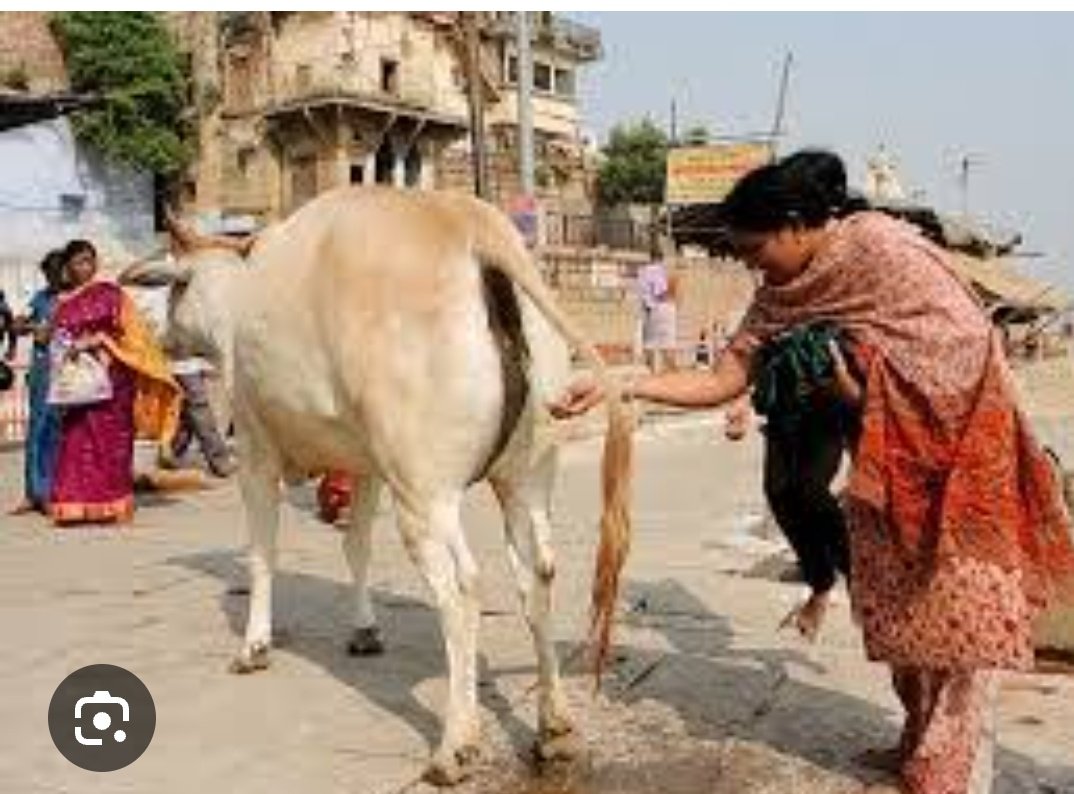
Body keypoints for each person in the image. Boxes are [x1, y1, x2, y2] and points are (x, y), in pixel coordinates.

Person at [551, 149, 1074, 794]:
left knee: (961, 617)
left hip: (960, 459)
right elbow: (721, 379)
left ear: (797, 225)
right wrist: (617, 384)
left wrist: (858, 385)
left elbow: (962, 346)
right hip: (882, 464)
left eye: (756, 250)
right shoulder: (781, 296)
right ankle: (916, 738)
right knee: (903, 614)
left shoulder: (879, 247)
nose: (753, 266)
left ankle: (948, 770)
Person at [49, 240, 182, 525]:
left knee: (111, 443)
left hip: (113, 379)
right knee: (76, 442)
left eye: (90, 260)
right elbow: (58, 340)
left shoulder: (110, 294)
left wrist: (100, 341)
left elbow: (135, 335)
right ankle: (75, 504)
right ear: (68, 267)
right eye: (80, 262)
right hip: (77, 382)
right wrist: (67, 350)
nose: (86, 267)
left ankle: (113, 503)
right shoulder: (63, 303)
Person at [10, 250, 68, 514]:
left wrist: (50, 330)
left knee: (60, 431)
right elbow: (22, 326)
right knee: (37, 430)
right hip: (42, 371)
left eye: (57, 272)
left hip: (68, 371)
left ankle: (54, 490)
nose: (54, 277)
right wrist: (24, 326)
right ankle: (34, 492)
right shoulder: (41, 298)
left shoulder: (75, 298)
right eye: (49, 273)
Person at [636, 241, 679, 372]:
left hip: (647, 309)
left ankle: (651, 371)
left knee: (649, 344)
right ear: (661, 258)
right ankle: (671, 372)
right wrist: (672, 292)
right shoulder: (659, 271)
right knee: (667, 343)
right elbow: (660, 292)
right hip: (660, 307)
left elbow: (642, 293)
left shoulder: (642, 271)